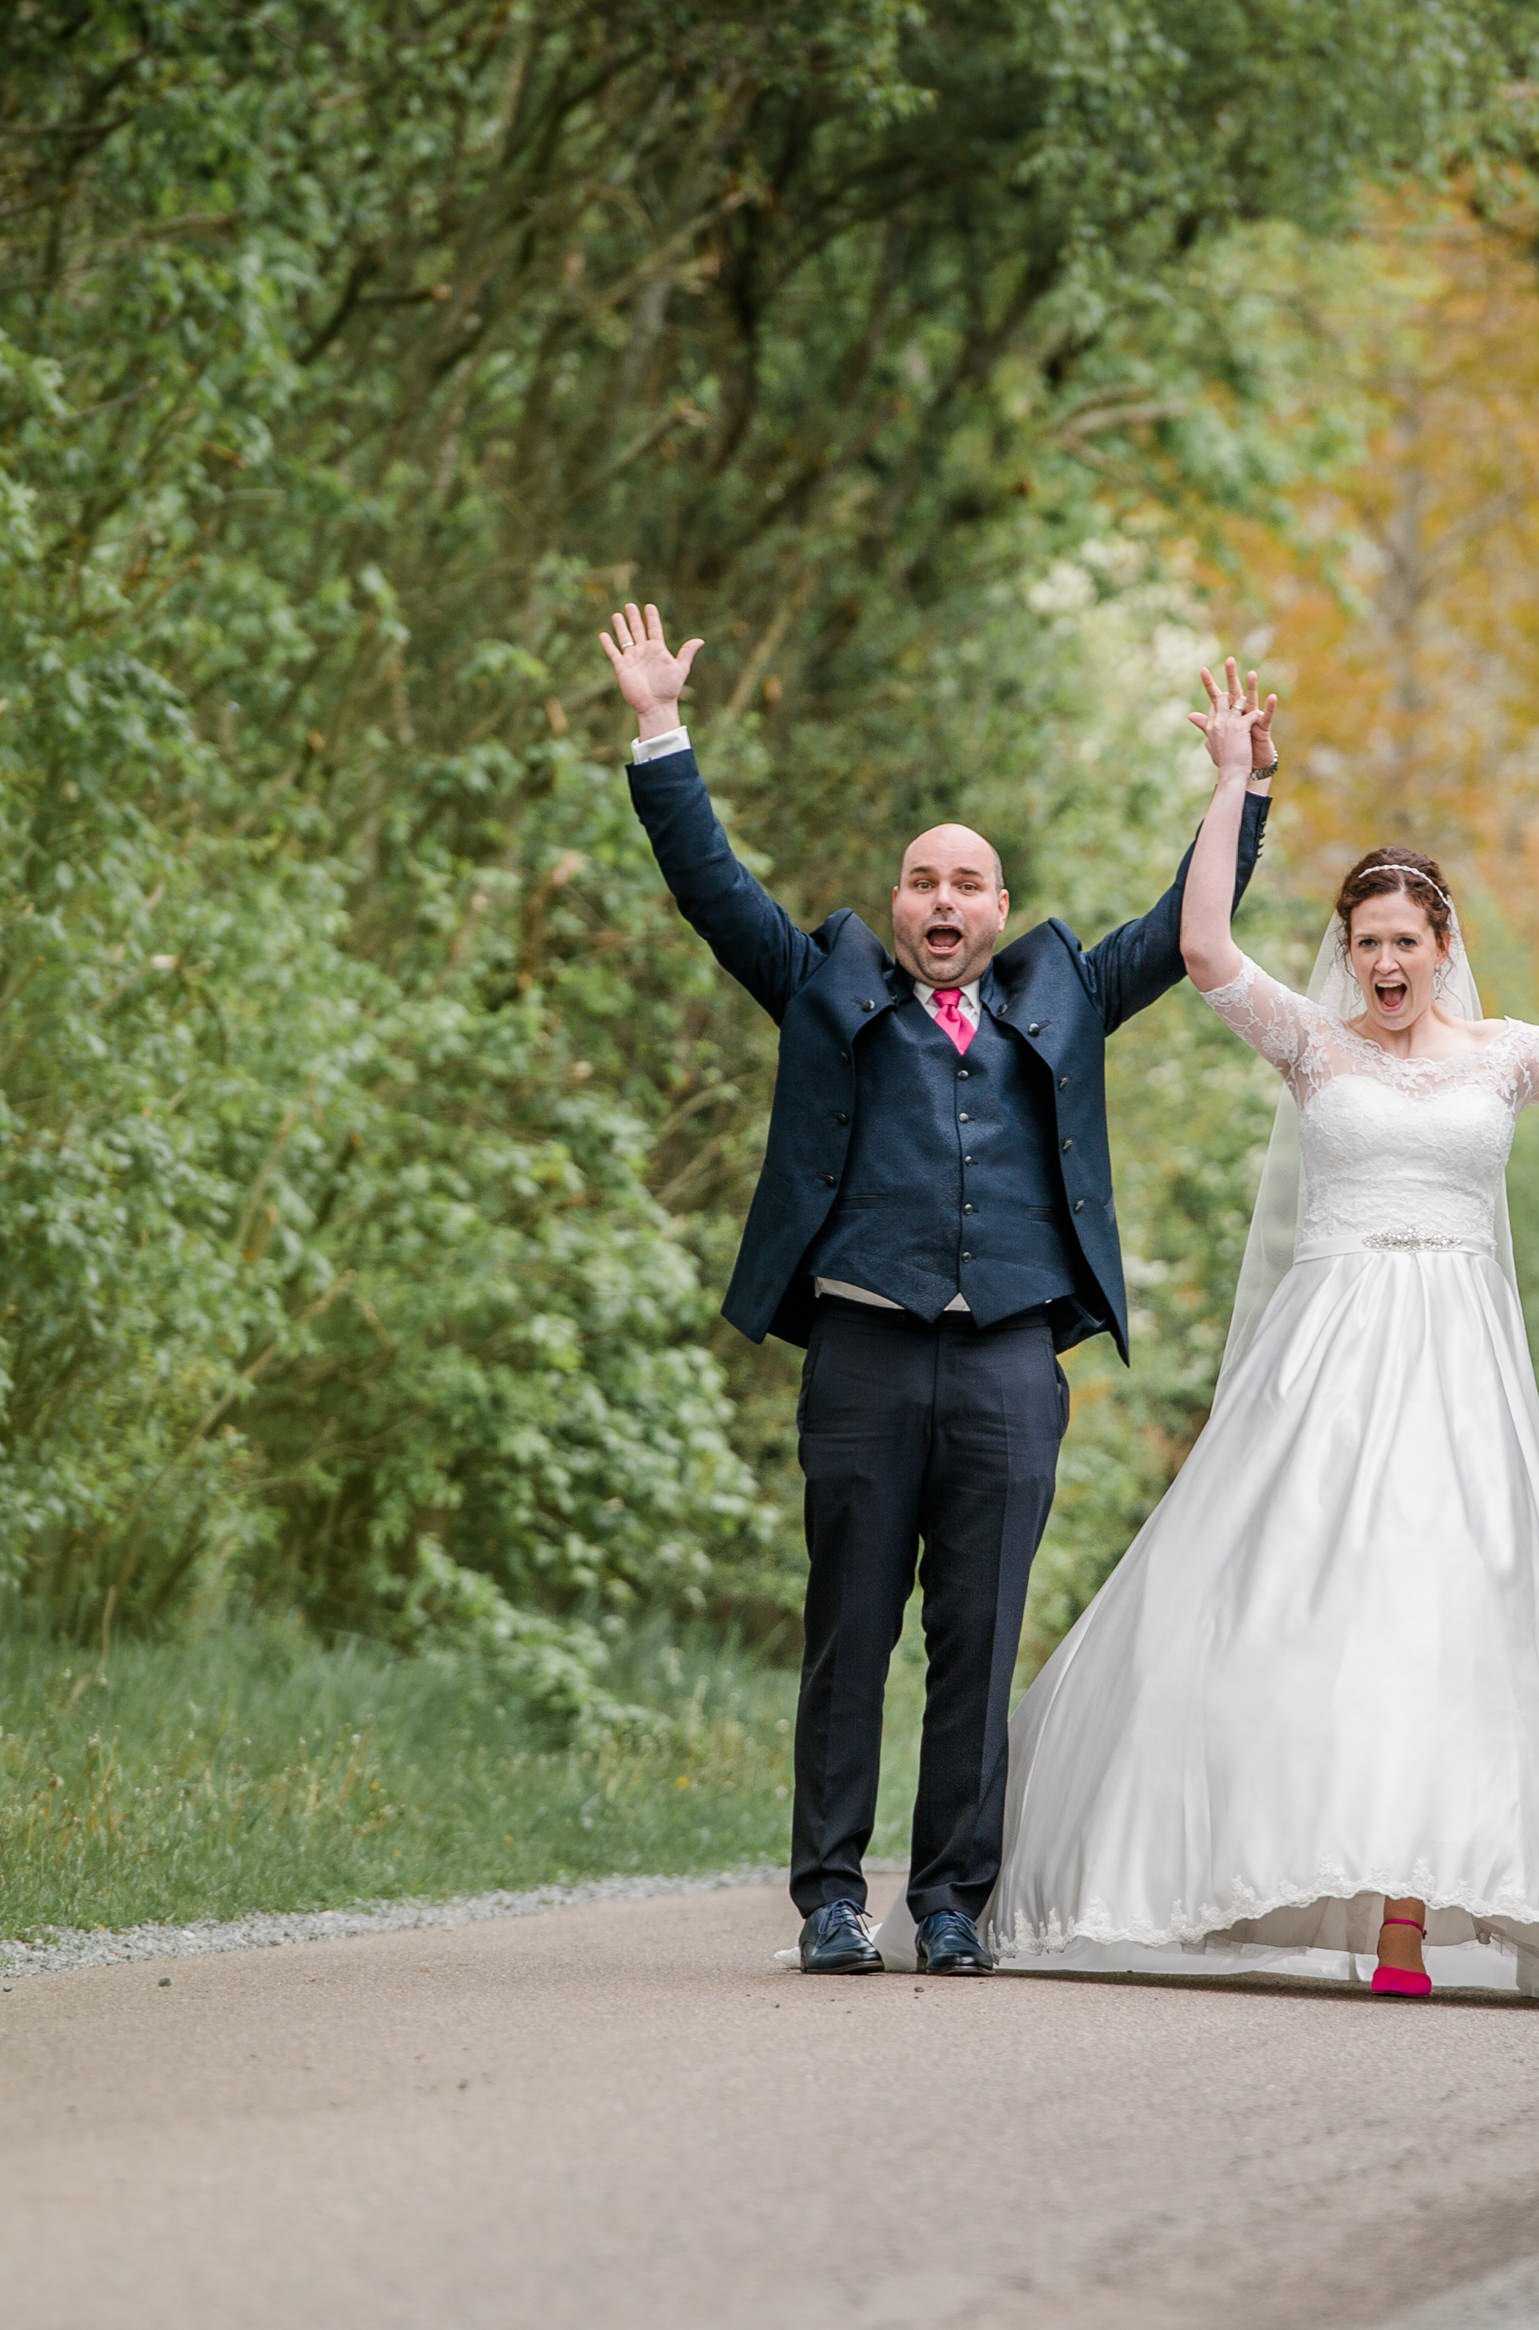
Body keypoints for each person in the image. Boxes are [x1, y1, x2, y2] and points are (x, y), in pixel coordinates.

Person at [978, 664, 1539, 2007]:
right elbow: (1204, 950)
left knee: (1439, 1618)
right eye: (1364, 941)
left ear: (1444, 945)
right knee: (1289, 1611)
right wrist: (1231, 785)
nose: (1383, 964)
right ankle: (1219, 1865)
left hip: (1460, 1371)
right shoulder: (1315, 1049)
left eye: (1404, 942)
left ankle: (1408, 1925)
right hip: (1328, 1360)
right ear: (1348, 949)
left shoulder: (1502, 1054)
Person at [597, 605, 1278, 1980]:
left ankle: (953, 1899)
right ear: (899, 906)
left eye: (971, 882)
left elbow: (1183, 928)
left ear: (1001, 906)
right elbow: (715, 888)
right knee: (850, 1632)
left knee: (979, 1640)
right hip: (861, 1357)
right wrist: (660, 731)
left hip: (1013, 1367)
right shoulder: (824, 991)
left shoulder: (1067, 997)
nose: (946, 902)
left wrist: (1239, 788)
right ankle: (832, 1897)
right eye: (924, 882)